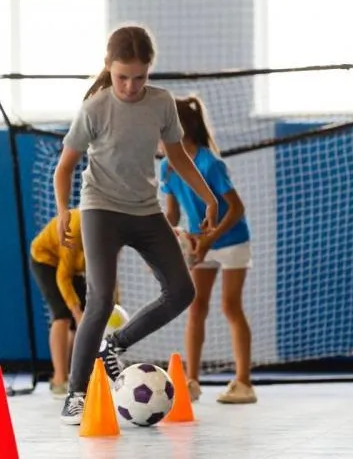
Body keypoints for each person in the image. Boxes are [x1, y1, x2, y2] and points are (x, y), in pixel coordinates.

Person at [54, 24, 219, 425]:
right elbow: (65, 168)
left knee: (182, 291)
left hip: (144, 210)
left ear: (150, 70)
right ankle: (76, 392)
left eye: (139, 77)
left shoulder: (162, 104)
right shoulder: (95, 108)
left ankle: (114, 345)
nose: (130, 86)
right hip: (100, 210)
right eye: (122, 76)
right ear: (109, 68)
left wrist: (208, 196)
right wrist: (63, 211)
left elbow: (178, 158)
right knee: (101, 299)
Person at [159, 95, 256, 404]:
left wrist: (210, 240)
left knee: (230, 306)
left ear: (180, 128)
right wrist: (160, 242)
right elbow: (173, 215)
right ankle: (192, 381)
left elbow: (236, 208)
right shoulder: (167, 167)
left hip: (231, 240)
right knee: (196, 308)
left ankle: (243, 383)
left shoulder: (210, 163)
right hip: (200, 242)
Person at [30, 209, 88, 398]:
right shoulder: (76, 228)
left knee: (83, 318)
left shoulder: (110, 236)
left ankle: (73, 373)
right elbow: (63, 276)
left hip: (72, 266)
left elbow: (108, 277)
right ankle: (59, 379)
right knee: (62, 314)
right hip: (46, 259)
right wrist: (76, 311)